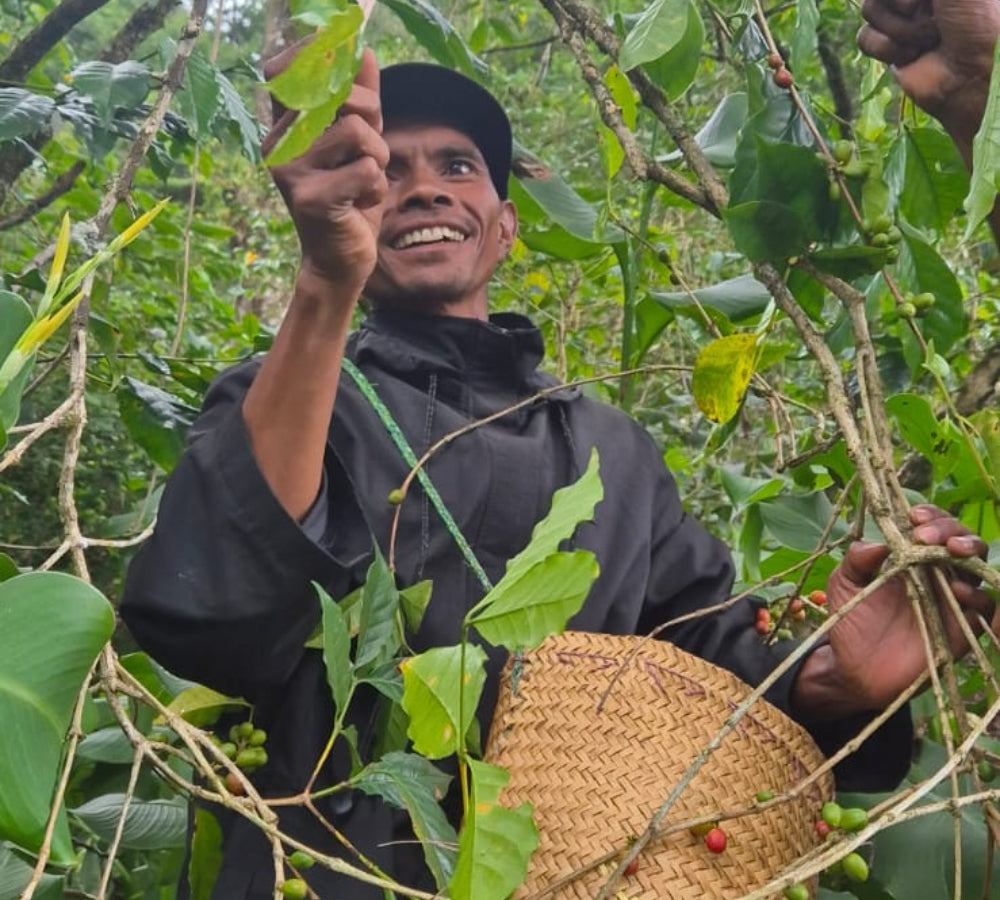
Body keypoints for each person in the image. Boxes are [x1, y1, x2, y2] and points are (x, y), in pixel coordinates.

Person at [121, 6, 997, 897]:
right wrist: (324, 280)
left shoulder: (608, 448)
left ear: (503, 229)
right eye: (391, 170)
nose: (422, 189)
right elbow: (216, 616)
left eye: (457, 168)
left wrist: (832, 678)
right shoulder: (295, 395)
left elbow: (703, 668)